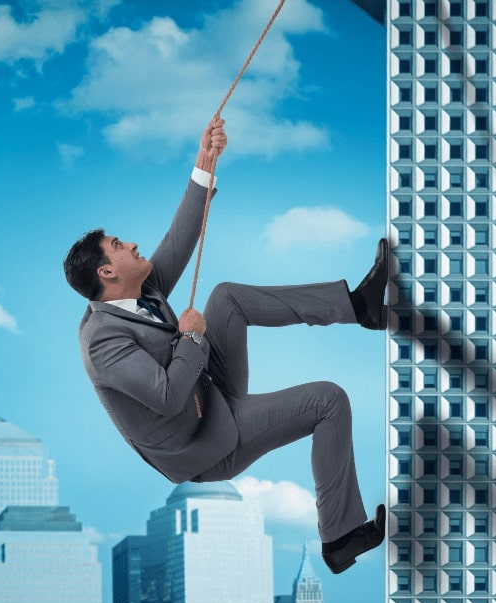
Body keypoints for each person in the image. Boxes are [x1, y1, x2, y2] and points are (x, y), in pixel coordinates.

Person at [62, 117, 387, 574]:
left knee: (225, 296)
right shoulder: (101, 342)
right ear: (106, 273)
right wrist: (192, 335)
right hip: (210, 442)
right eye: (118, 245)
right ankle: (341, 537)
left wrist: (204, 162)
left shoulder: (141, 291)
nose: (132, 243)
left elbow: (180, 237)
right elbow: (168, 396)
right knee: (329, 400)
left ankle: (357, 306)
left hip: (209, 391)